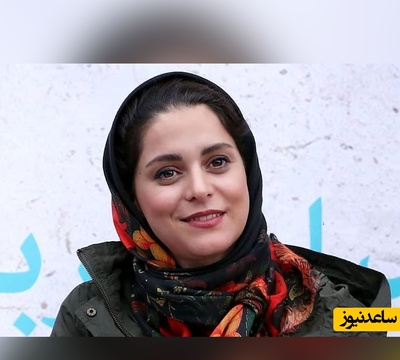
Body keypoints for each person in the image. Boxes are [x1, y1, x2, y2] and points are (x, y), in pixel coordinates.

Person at [51, 71, 391, 337]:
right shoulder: (87, 320)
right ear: (131, 199)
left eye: (217, 162)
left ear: (248, 172)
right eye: (167, 172)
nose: (199, 189)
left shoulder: (353, 315)